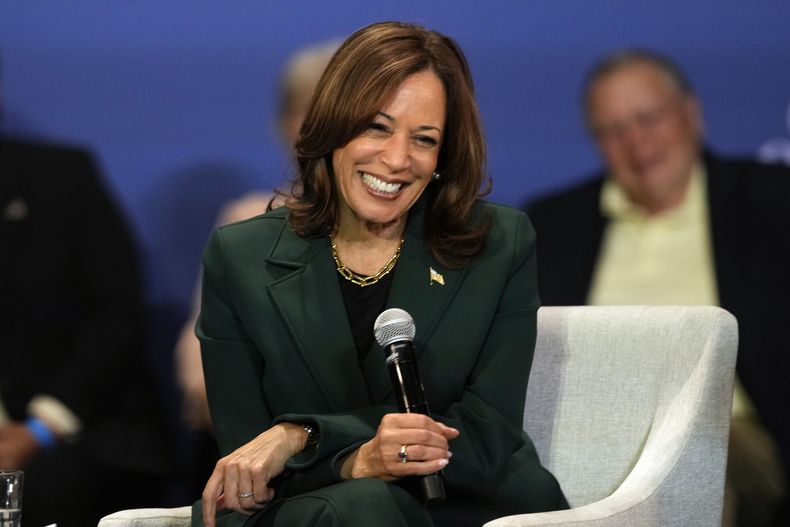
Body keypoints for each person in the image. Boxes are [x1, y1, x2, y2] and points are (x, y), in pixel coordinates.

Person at [194, 21, 568, 527]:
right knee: (360, 507)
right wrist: (356, 460)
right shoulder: (240, 257)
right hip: (309, 507)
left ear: (442, 156)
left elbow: (485, 436)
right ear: (333, 124)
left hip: (463, 503)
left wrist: (302, 435)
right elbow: (248, 463)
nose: (396, 160)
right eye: (376, 126)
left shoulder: (498, 244)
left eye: (424, 138)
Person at [524, 49, 790, 527]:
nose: (636, 141)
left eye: (647, 117)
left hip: (732, 434)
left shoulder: (771, 201)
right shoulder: (552, 224)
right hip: (593, 437)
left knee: (694, 471)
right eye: (613, 130)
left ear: (691, 114)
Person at [0, 135, 171, 525]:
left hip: (82, 431)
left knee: (44, 493)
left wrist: (39, 431)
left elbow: (117, 316)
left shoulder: (58, 177)